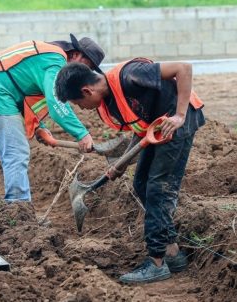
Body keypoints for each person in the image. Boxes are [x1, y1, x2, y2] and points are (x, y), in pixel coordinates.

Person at [54, 57, 205, 284]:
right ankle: (172, 252)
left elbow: (184, 68)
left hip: (177, 126)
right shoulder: (110, 99)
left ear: (87, 91)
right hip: (156, 129)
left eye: (78, 103)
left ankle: (156, 262)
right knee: (141, 184)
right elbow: (140, 128)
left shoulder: (131, 75)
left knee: (158, 189)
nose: (82, 109)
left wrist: (179, 115)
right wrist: (121, 164)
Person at [0, 35, 104, 203]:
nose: (81, 75)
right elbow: (55, 100)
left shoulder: (50, 54)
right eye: (84, 66)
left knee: (12, 154)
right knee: (16, 153)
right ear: (75, 55)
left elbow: (25, 92)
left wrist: (39, 127)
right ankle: (18, 207)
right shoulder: (55, 61)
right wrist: (82, 134)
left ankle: (17, 205)